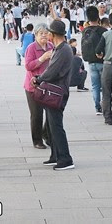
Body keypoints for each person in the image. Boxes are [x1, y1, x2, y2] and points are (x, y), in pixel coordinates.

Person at [32, 20, 74, 170]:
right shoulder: (60, 48)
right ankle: (55, 156)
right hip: (54, 90)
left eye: (48, 32)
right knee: (50, 125)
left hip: (57, 92)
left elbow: (53, 71)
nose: (47, 34)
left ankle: (65, 158)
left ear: (53, 34)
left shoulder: (63, 50)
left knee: (56, 126)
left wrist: (39, 78)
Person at [23, 23, 52, 149]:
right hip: (33, 86)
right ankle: (37, 140)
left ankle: (47, 134)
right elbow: (28, 66)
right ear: (35, 35)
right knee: (36, 114)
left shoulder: (51, 46)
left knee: (51, 113)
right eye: (41, 34)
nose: (44, 36)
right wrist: (42, 58)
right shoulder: (31, 48)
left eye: (46, 33)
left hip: (48, 85)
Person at [81, 6, 106, 115]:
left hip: (90, 62)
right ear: (98, 17)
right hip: (102, 61)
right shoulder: (103, 30)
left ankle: (97, 107)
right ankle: (105, 105)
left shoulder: (85, 31)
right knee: (104, 85)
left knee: (95, 86)